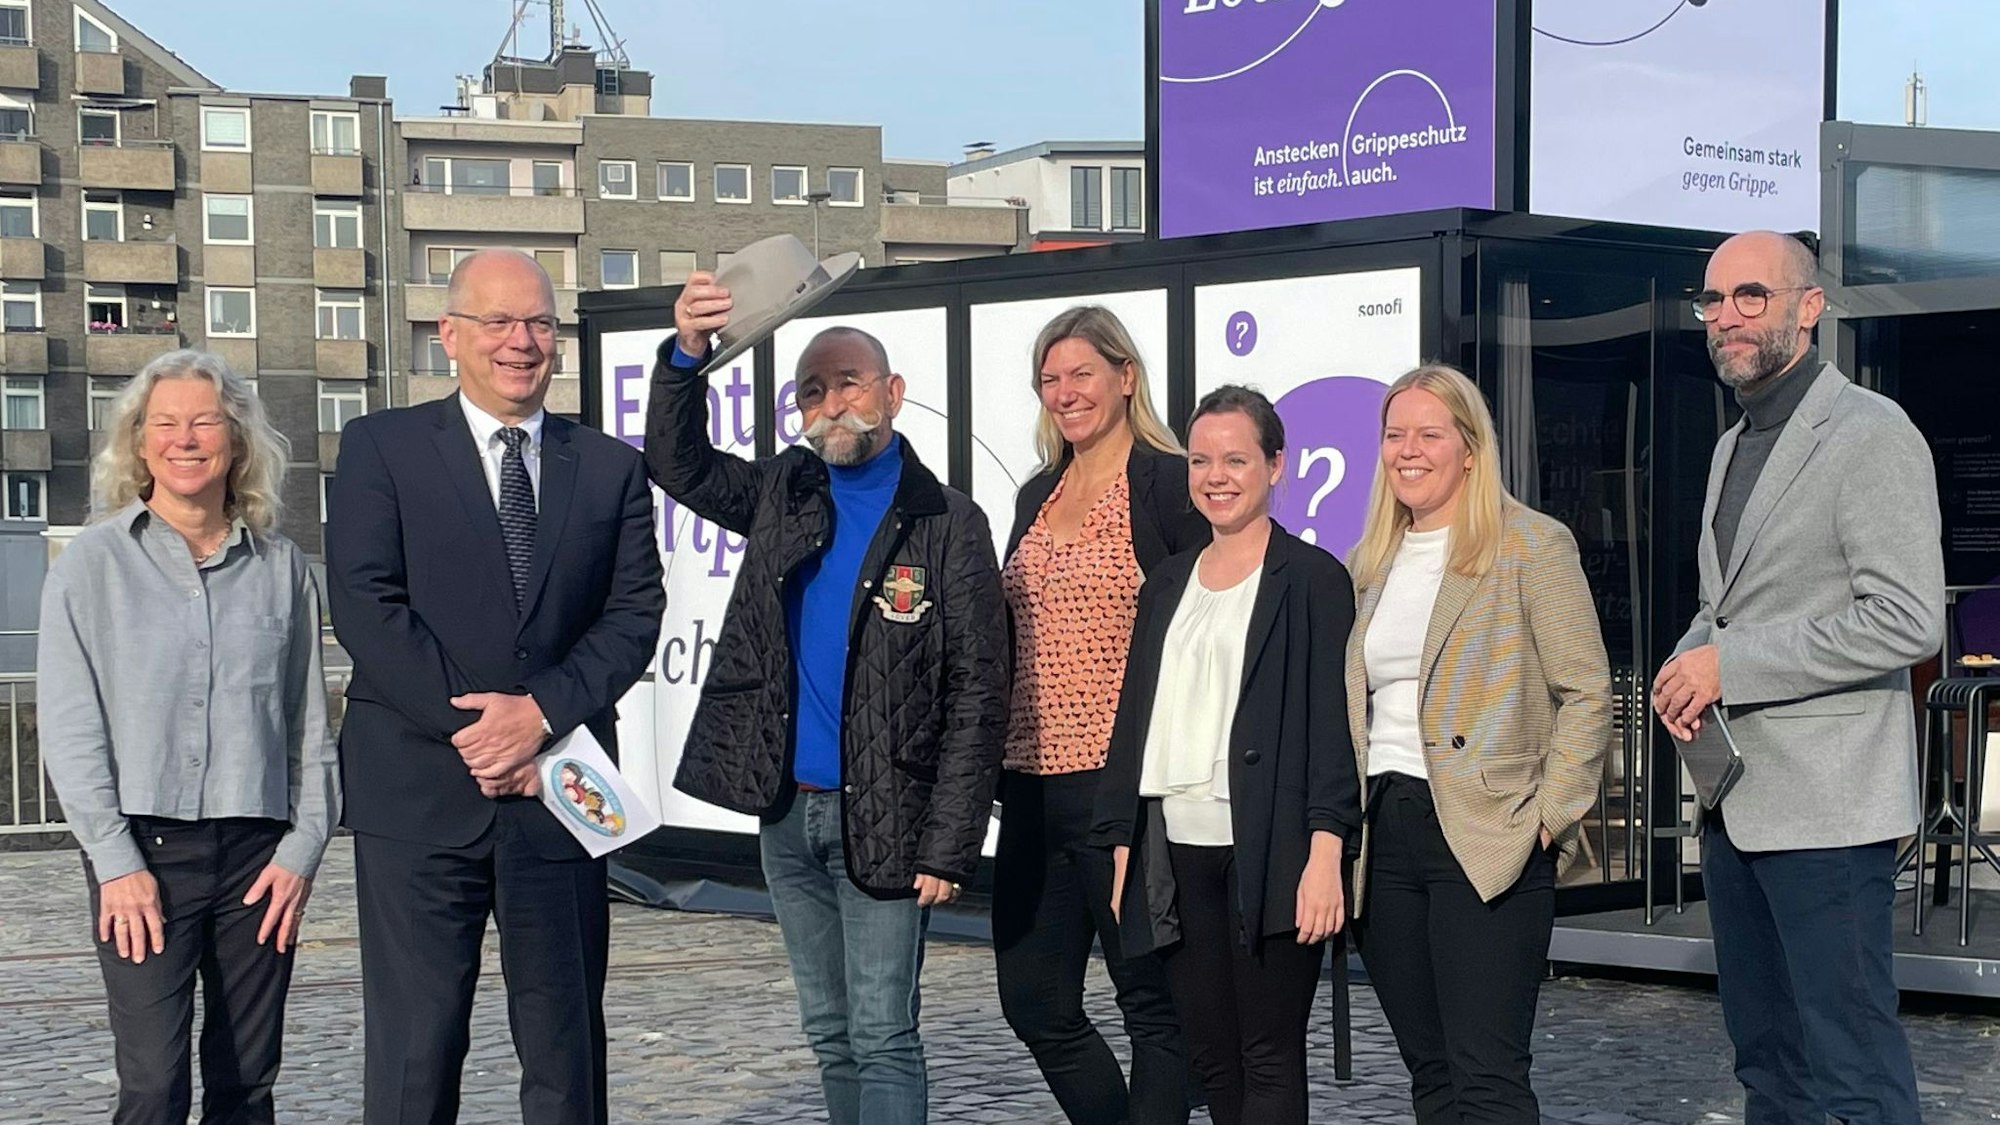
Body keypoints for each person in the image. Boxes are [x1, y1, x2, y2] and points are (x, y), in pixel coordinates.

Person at [649, 269, 1008, 1125]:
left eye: (847, 381)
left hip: (889, 817)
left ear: (893, 392)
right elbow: (677, 462)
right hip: (786, 814)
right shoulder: (784, 491)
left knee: (885, 1036)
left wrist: (950, 845)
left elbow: (978, 691)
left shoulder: (947, 521)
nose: (829, 401)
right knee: (830, 1032)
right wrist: (686, 354)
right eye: (812, 388)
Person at [325, 249, 664, 1125]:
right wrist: (479, 731)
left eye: (541, 324)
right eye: (499, 322)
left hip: (558, 792)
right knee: (417, 1047)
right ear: (450, 336)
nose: (523, 342)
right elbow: (366, 604)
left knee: (564, 1048)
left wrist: (540, 717)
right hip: (419, 795)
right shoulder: (381, 447)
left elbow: (633, 615)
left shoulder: (610, 467)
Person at [1652, 230, 1942, 1124]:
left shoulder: (1870, 433)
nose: (1727, 317)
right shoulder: (1729, 446)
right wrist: (1683, 660)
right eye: (1713, 300)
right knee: (1768, 1063)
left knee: (1851, 1064)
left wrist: (1726, 663)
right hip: (1737, 800)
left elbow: (1906, 618)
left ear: (1808, 308)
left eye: (1751, 296)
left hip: (1830, 810)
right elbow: (1730, 604)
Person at [38, 349, 339, 1125]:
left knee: (247, 1082)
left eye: (205, 421)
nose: (186, 438)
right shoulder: (89, 569)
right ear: (139, 443)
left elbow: (310, 727)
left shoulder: (284, 570)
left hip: (259, 859)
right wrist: (115, 862)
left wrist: (301, 853)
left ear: (236, 441)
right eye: (164, 423)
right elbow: (72, 730)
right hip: (143, 856)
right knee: (152, 1082)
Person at [1345, 363, 1611, 1122]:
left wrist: (1548, 818)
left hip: (1487, 833)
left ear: (1470, 447)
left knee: (1487, 1076)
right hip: (1384, 835)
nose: (1408, 449)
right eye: (1396, 434)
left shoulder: (1531, 544)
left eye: (1429, 433)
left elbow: (1586, 690)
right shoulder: (1372, 560)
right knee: (1430, 1073)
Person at [1093, 385, 1358, 1125]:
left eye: (1237, 458)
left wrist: (1326, 851)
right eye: (1202, 459)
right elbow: (1134, 714)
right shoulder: (1169, 581)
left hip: (1271, 849)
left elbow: (1332, 728)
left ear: (1276, 464)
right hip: (1175, 849)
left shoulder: (1313, 579)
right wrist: (1120, 841)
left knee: (1269, 1055)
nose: (1217, 475)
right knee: (1211, 1057)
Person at [995, 306, 1201, 1125]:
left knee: (1151, 1003)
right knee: (1035, 998)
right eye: (1050, 379)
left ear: (1125, 375)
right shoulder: (1036, 493)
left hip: (1129, 791)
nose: (1064, 392)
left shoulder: (1167, 484)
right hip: (1031, 787)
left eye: (1081, 372)